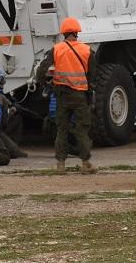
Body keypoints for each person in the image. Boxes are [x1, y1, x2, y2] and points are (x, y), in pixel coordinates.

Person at [34, 17, 96, 174]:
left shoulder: (56, 49)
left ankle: (61, 165)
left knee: (62, 130)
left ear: (63, 34)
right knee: (81, 130)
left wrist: (46, 84)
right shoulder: (87, 50)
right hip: (80, 96)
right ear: (77, 33)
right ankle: (85, 164)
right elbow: (92, 77)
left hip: (62, 96)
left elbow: (41, 70)